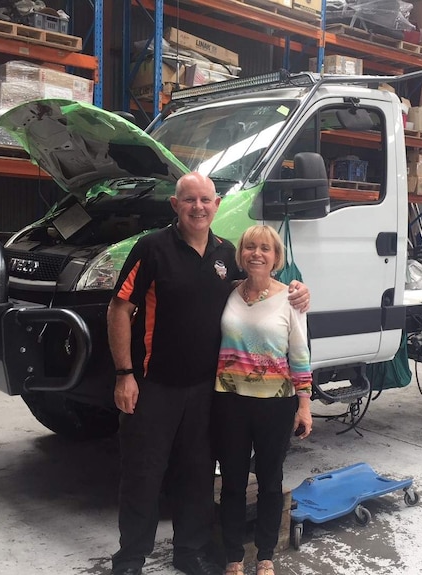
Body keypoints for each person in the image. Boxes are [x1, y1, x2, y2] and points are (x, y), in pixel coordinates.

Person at [107, 173, 310, 575]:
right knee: (143, 475)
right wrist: (124, 373)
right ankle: (131, 558)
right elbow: (119, 308)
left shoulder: (224, 253)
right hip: (154, 386)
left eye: (205, 200)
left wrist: (295, 290)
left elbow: (249, 291)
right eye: (189, 200)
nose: (198, 207)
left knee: (197, 475)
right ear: (175, 206)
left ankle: (190, 551)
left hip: (207, 391)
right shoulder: (152, 248)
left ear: (216, 205)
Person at [213, 225, 313, 575]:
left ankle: (266, 555)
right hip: (229, 401)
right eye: (250, 247)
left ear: (276, 257)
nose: (257, 253)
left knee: (270, 481)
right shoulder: (227, 292)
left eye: (265, 249)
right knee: (233, 483)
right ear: (241, 255)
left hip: (275, 404)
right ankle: (233, 557)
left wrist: (304, 405)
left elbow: (299, 356)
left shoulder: (291, 298)